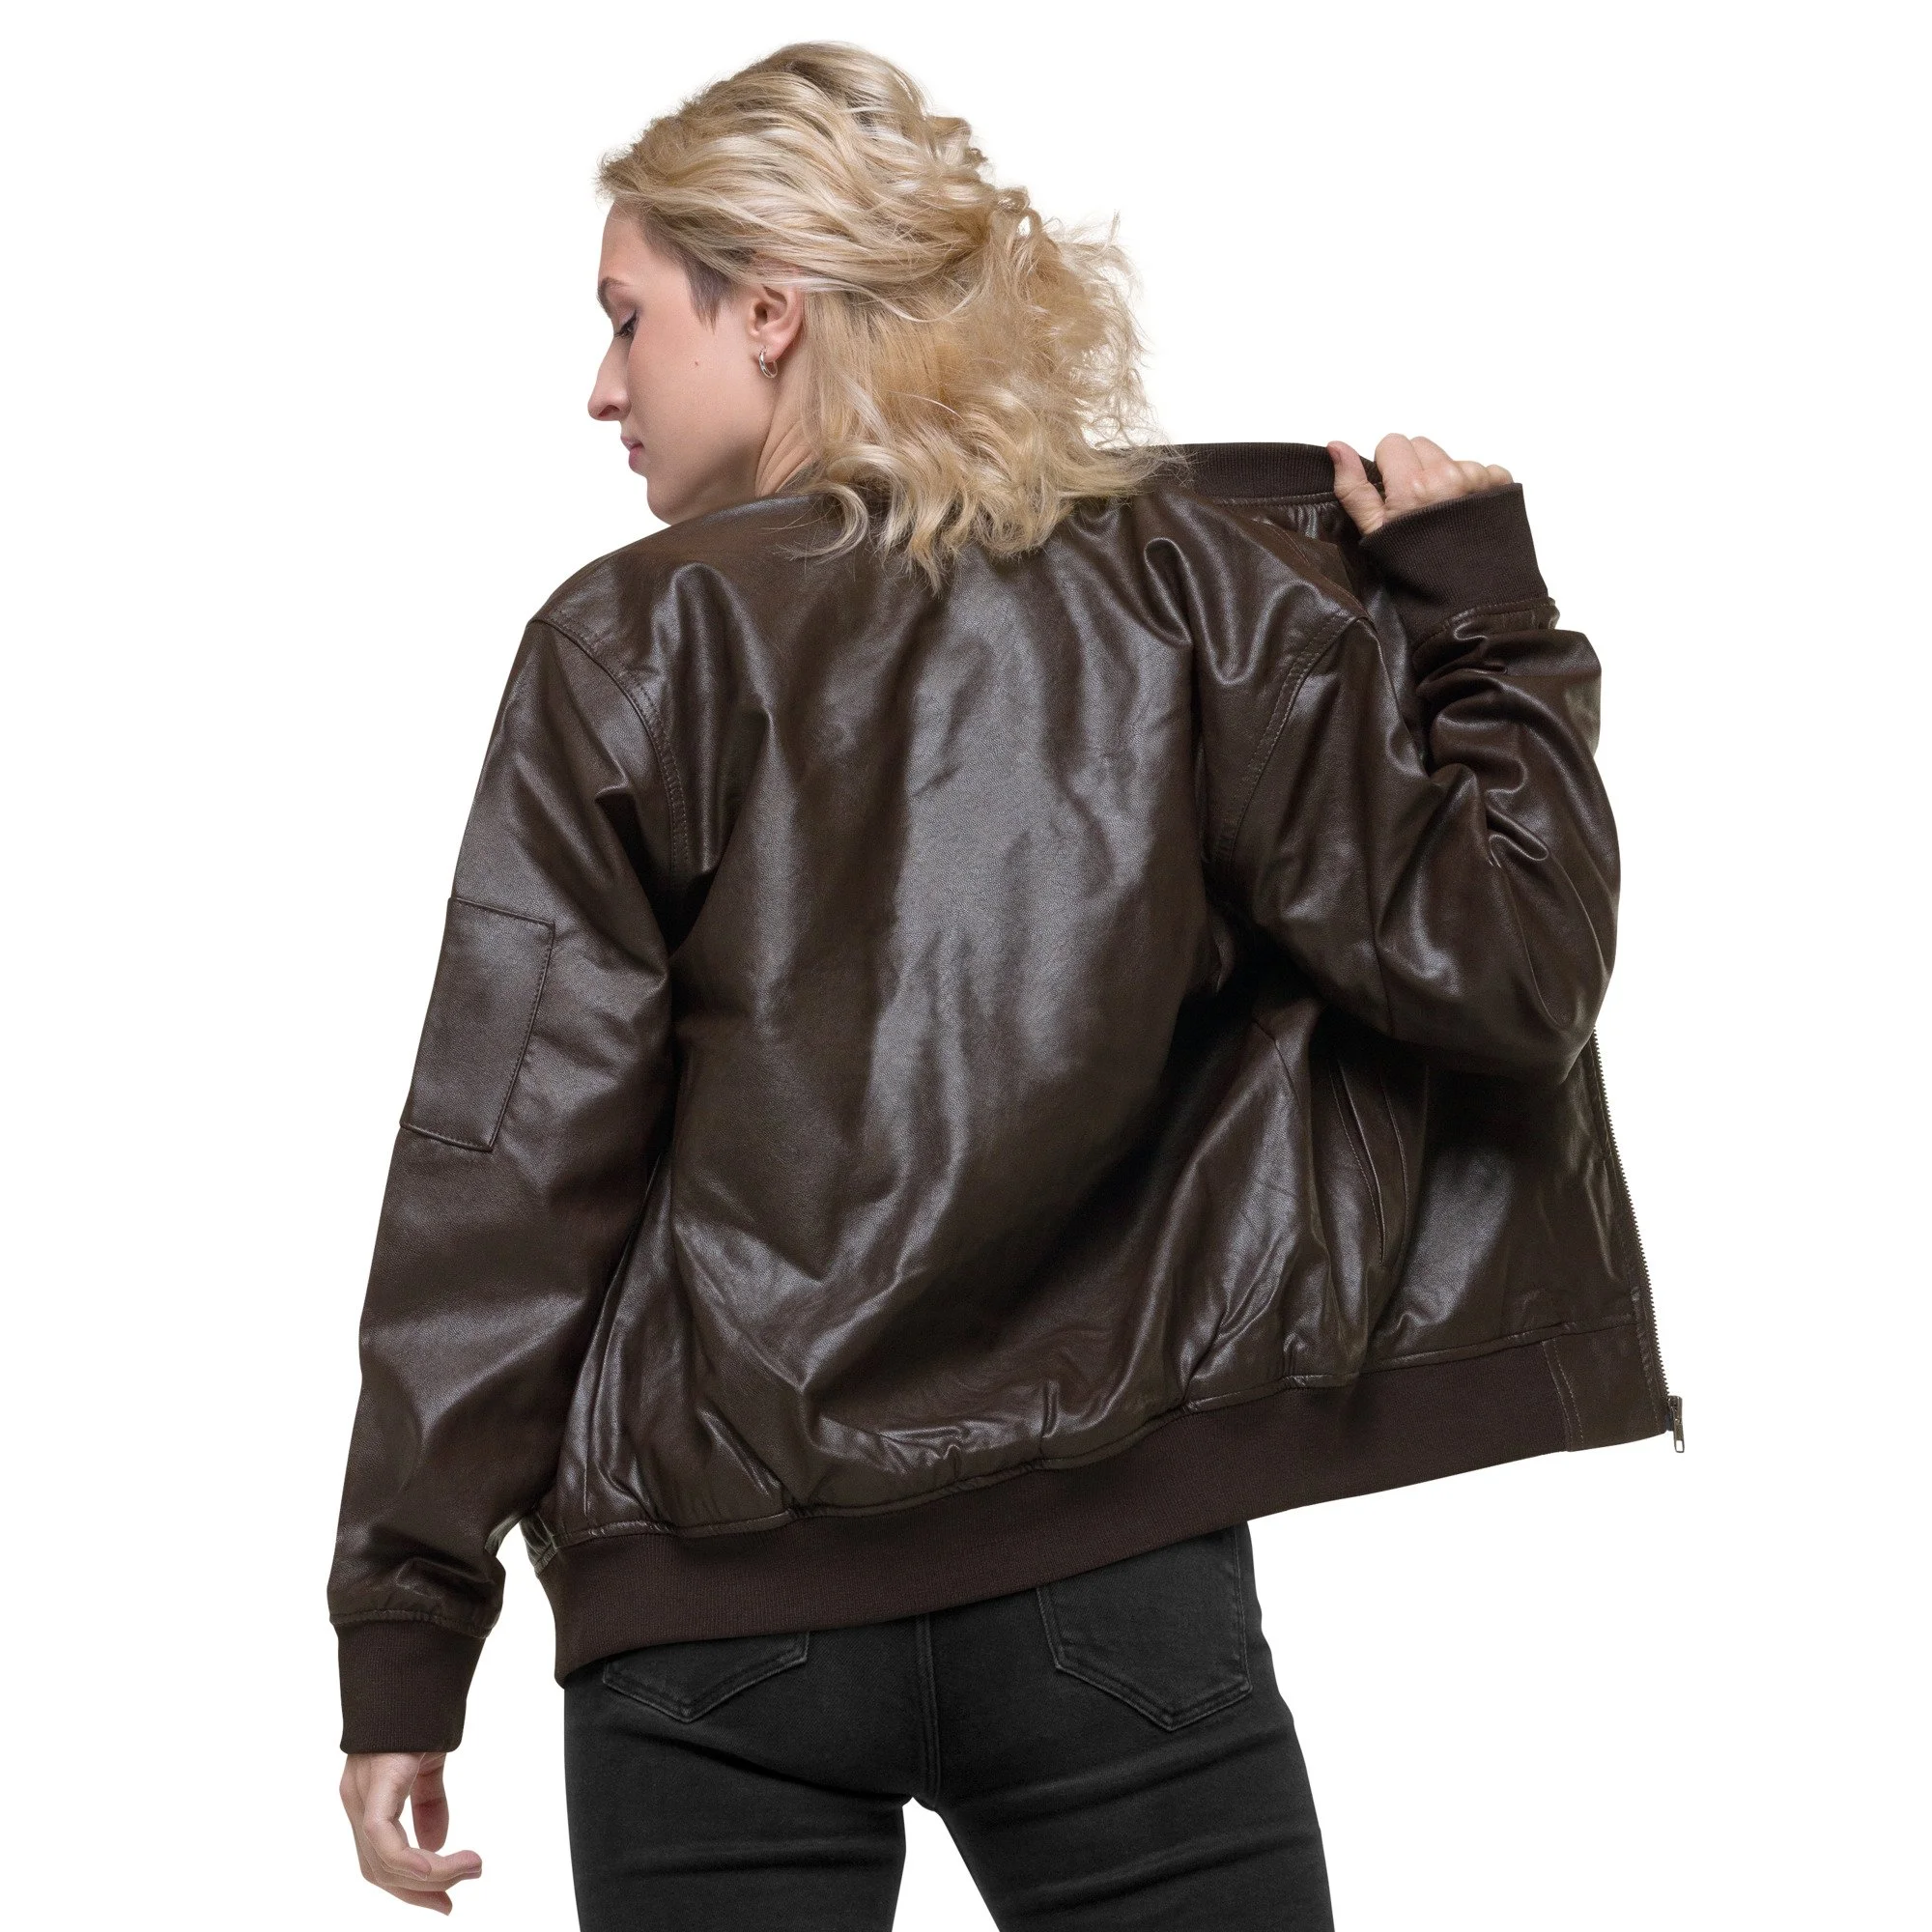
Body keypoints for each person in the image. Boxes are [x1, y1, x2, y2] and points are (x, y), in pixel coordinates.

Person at [329, 39, 1673, 1930]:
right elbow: (1506, 967)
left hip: (720, 1611)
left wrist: (407, 1625)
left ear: (771, 311)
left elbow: (505, 1169)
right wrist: (1485, 617)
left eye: (628, 320)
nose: (602, 386)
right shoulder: (1188, 591)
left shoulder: (627, 642)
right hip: (1112, 1578)